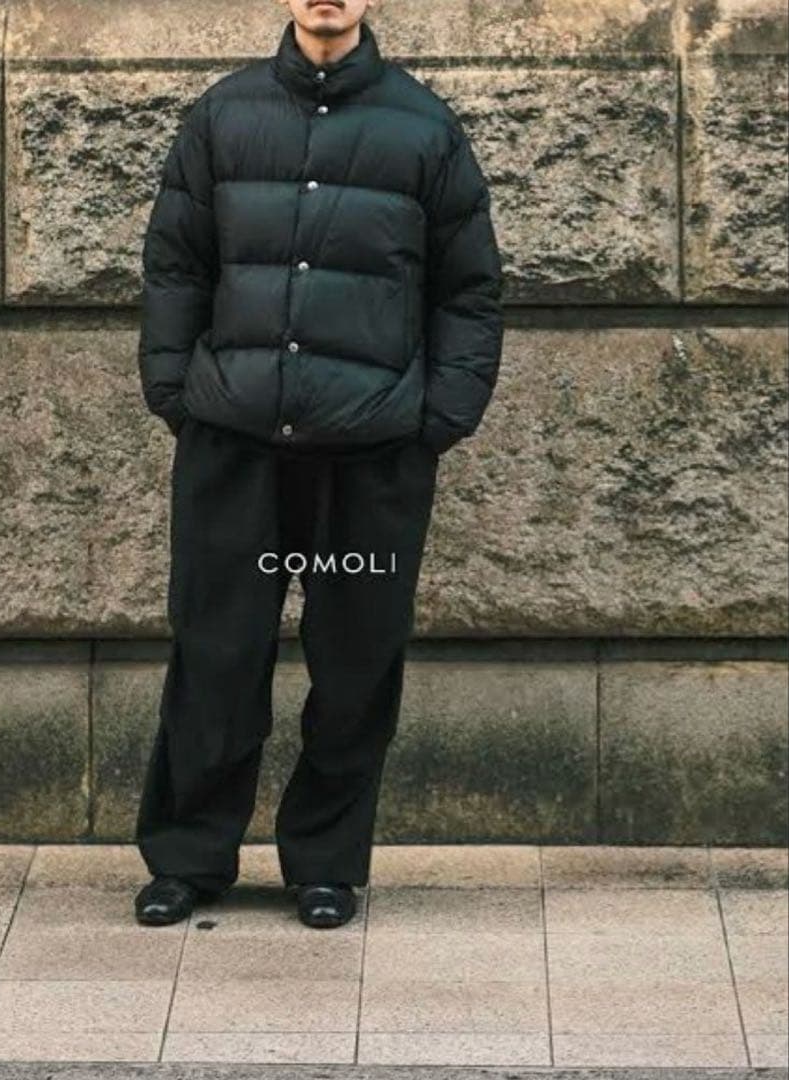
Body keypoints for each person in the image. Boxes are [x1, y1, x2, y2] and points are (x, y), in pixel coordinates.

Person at [134, 0, 504, 929]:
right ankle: (187, 858)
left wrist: (437, 419)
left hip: (370, 459)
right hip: (235, 447)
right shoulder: (223, 115)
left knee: (354, 662)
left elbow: (468, 290)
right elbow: (176, 265)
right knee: (215, 653)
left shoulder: (423, 127)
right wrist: (176, 391)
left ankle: (326, 865)